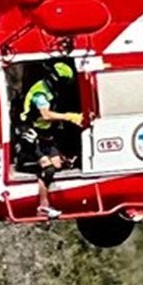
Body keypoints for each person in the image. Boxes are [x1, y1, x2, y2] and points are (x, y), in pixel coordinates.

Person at [20, 61, 84, 219]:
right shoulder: (40, 93)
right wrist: (69, 116)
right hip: (30, 131)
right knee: (48, 168)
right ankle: (43, 206)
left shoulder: (50, 90)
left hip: (44, 133)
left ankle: (41, 168)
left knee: (58, 164)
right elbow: (46, 115)